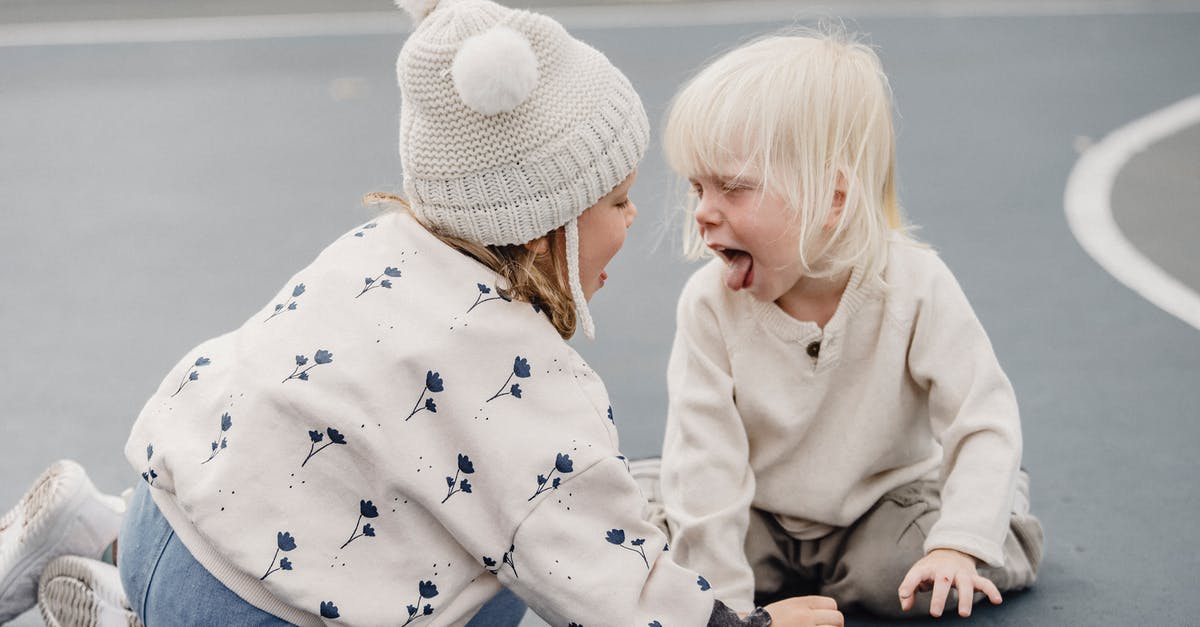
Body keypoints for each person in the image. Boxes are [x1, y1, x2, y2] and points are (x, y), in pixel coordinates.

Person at [0, 1, 848, 625]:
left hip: (165, 516)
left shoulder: (375, 248)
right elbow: (595, 573)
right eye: (618, 201)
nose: (634, 220)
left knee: (351, 485)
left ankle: (104, 544)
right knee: (495, 582)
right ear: (549, 224)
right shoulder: (524, 379)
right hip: (251, 611)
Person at [654, 28, 1045, 620]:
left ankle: (994, 518)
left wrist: (957, 544)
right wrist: (730, 614)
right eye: (697, 187)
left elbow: (982, 419)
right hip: (760, 509)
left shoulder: (915, 286)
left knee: (904, 579)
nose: (704, 211)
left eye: (732, 187)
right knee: (664, 557)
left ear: (832, 198)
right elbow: (706, 464)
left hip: (880, 506)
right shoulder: (710, 305)